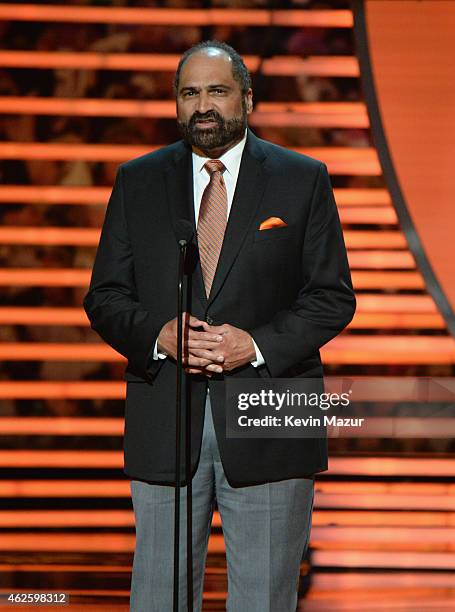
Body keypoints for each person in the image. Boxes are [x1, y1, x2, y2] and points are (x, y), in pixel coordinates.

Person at [84, 40, 356, 612]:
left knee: (264, 599)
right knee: (159, 598)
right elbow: (105, 296)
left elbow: (331, 297)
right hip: (166, 417)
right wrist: (158, 335)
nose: (202, 105)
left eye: (216, 90)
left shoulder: (301, 179)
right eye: (189, 93)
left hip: (272, 415)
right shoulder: (139, 181)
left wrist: (254, 345)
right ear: (176, 104)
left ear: (247, 99)